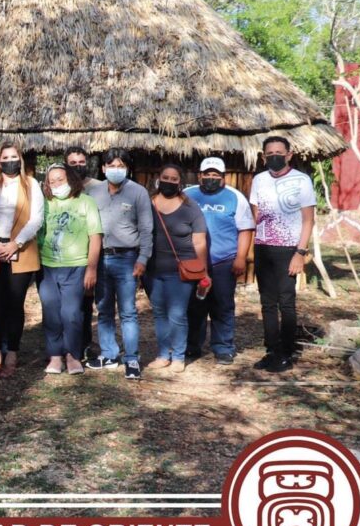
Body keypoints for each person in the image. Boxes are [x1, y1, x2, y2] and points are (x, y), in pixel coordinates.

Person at [250, 136, 316, 372]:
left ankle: (286, 353)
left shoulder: (302, 180)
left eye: (279, 152)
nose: (274, 157)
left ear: (289, 155)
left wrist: (300, 252)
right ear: (263, 157)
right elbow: (256, 216)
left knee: (286, 302)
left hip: (288, 249)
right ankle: (272, 350)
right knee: (267, 302)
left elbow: (308, 220)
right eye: (270, 154)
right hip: (263, 247)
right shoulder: (259, 180)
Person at [0, 140, 43, 377]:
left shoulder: (31, 184)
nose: (9, 161)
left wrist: (16, 243)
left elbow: (36, 218)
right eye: (4, 158)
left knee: (15, 304)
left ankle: (12, 352)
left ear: (20, 159)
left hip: (21, 250)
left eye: (13, 157)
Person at [85, 148, 153, 378]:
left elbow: (146, 229)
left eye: (120, 166)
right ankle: (109, 354)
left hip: (126, 259)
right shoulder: (93, 192)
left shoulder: (138, 192)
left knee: (128, 311)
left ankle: (131, 359)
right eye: (111, 166)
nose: (116, 170)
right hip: (99, 258)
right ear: (103, 168)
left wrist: (143, 258)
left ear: (127, 168)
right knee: (103, 309)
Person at [184, 157, 255, 365]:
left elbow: (245, 229)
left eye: (216, 175)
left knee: (222, 306)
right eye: (207, 174)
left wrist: (240, 258)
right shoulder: (187, 195)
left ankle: (223, 347)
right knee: (194, 306)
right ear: (200, 176)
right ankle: (191, 346)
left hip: (223, 262)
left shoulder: (235, 197)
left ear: (223, 177)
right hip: (193, 263)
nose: (211, 178)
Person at [37, 163, 102, 376]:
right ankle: (55, 355)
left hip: (76, 266)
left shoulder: (86, 202)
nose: (56, 184)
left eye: (61, 179)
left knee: (72, 313)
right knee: (51, 312)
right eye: (52, 181)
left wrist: (91, 268)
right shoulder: (45, 203)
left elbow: (95, 236)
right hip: (48, 266)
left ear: (70, 180)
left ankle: (72, 355)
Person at [145, 164, 208, 376]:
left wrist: (203, 271)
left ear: (180, 182)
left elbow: (199, 241)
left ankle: (179, 356)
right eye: (166, 177)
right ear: (158, 178)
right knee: (159, 313)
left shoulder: (191, 207)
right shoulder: (148, 203)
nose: (169, 182)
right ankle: (163, 354)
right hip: (153, 269)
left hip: (180, 271)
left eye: (174, 179)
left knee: (177, 314)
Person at [66, 145, 101, 357]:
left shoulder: (98, 187)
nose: (78, 166)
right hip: (64, 257)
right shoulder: (58, 187)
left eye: (81, 162)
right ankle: (62, 346)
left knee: (86, 303)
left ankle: (84, 344)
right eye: (73, 163)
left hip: (91, 254)